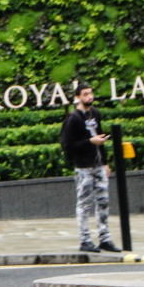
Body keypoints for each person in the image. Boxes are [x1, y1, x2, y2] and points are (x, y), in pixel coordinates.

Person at [61, 82, 121, 253]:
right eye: (85, 94)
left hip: (98, 165)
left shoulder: (95, 113)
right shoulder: (73, 119)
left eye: (91, 93)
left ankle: (104, 238)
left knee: (103, 202)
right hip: (84, 167)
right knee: (84, 204)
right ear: (78, 96)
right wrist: (89, 142)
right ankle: (85, 240)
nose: (90, 96)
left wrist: (106, 162)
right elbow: (67, 146)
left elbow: (100, 136)